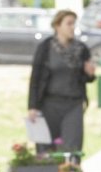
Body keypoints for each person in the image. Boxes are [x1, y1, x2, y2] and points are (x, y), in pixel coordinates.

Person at [27, 9, 96, 153]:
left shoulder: (81, 49)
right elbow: (36, 78)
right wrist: (32, 106)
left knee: (72, 147)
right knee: (47, 148)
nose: (72, 27)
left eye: (74, 24)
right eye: (69, 23)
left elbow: (86, 78)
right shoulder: (45, 48)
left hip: (73, 103)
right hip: (49, 103)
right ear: (57, 25)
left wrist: (90, 74)